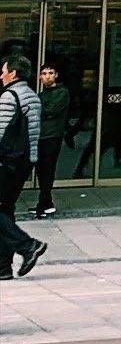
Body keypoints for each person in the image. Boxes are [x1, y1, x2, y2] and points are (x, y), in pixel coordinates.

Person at [0, 48, 45, 279]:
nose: (1, 76)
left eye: (3, 71)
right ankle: (3, 268)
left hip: (5, 162)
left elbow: (1, 131)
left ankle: (28, 246)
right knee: (5, 211)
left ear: (14, 73)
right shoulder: (33, 96)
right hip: (24, 161)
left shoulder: (9, 96)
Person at [32, 58, 67, 216]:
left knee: (47, 170)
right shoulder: (40, 95)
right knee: (42, 170)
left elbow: (50, 111)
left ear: (56, 75)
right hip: (41, 136)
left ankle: (42, 204)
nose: (47, 76)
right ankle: (47, 202)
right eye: (44, 74)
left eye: (50, 73)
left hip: (52, 136)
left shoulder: (62, 92)